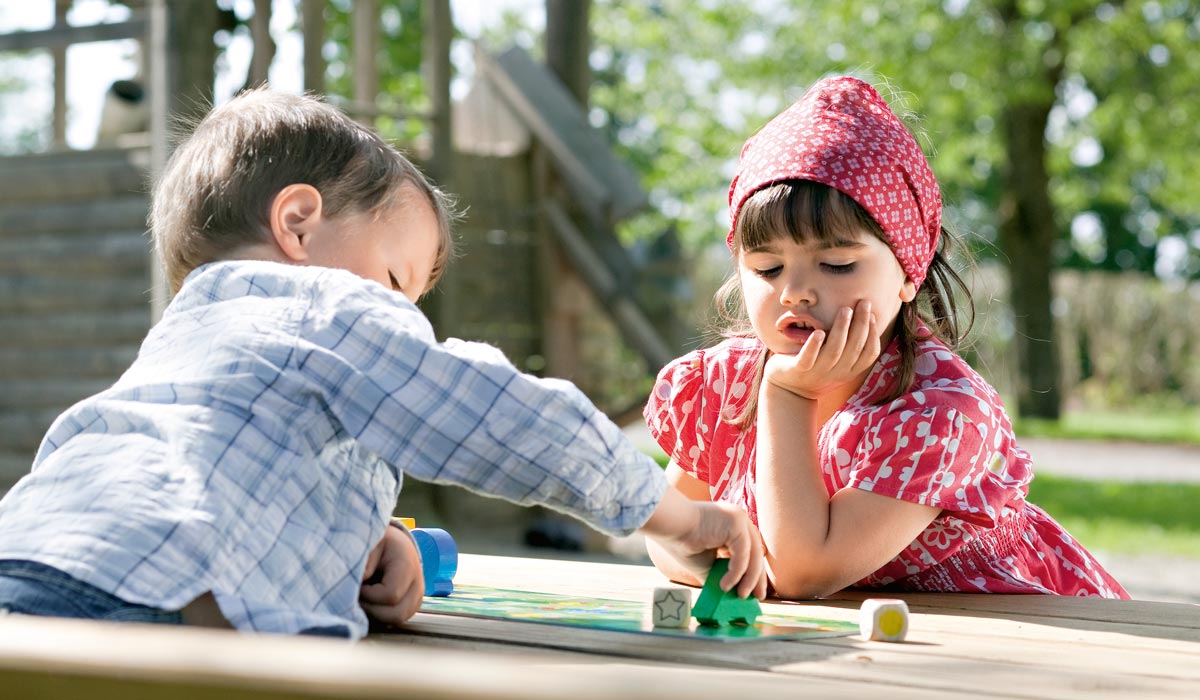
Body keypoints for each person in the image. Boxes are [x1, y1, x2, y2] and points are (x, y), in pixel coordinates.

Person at [0, 89, 767, 639]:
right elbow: (501, 419)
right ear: (298, 224)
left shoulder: (183, 339)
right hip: (148, 603)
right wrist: (687, 514)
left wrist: (368, 541)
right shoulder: (320, 307)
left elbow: (248, 468)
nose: (406, 316)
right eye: (399, 281)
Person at [643, 76, 1128, 600]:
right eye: (767, 268)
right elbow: (671, 531)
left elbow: (805, 572)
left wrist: (787, 395)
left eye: (837, 264)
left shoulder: (938, 411)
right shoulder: (725, 383)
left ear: (907, 274)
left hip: (1025, 645)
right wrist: (723, 570)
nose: (796, 292)